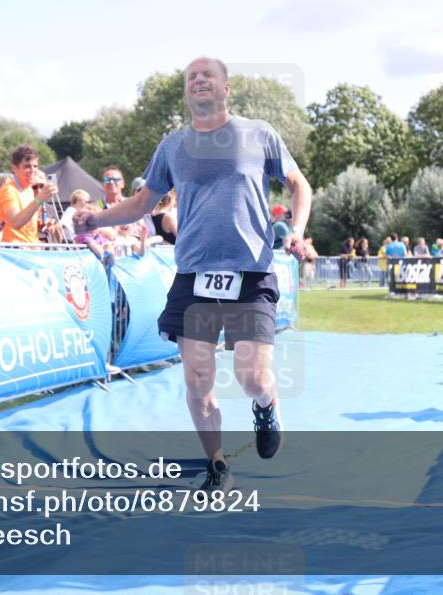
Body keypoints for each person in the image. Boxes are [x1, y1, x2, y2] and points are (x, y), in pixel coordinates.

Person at [74, 56, 312, 492]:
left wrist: (296, 231)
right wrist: (95, 221)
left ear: (226, 88)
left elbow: (300, 185)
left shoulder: (258, 133)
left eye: (208, 76)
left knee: (252, 377)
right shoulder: (172, 147)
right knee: (197, 379)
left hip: (250, 274)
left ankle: (266, 404)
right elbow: (143, 203)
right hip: (195, 276)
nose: (198, 81)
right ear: (187, 92)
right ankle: (217, 463)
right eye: (191, 78)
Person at [0, 145, 58, 244]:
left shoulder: (29, 189)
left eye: (35, 166)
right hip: (14, 250)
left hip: (33, 247)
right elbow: (16, 223)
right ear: (14, 168)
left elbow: (28, 224)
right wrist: (39, 199)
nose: (33, 170)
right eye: (27, 166)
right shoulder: (8, 191)